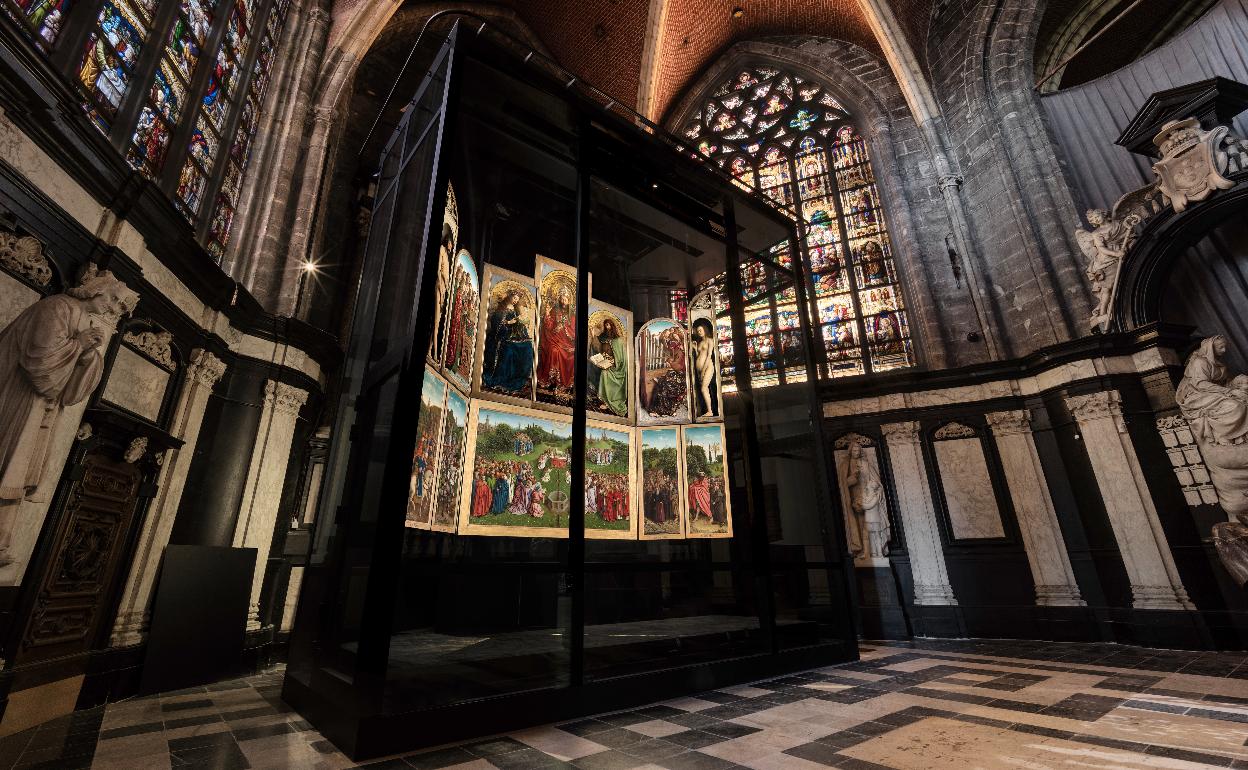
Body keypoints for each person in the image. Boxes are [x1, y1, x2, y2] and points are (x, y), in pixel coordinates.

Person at [482, 289, 534, 395]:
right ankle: (504, 378)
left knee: (527, 346)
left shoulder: (515, 309)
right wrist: (509, 323)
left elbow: (517, 323)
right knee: (509, 350)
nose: (515, 300)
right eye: (514, 298)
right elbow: (496, 323)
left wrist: (519, 323)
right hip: (502, 337)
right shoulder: (501, 309)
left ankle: (520, 376)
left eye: (517, 299)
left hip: (512, 335)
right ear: (509, 297)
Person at [537, 283, 575, 395]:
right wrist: (548, 314)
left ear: (569, 301)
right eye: (562, 299)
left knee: (572, 355)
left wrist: (565, 328)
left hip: (566, 342)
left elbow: (574, 331)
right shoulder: (554, 310)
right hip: (553, 339)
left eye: (566, 299)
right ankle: (551, 380)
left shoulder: (572, 315)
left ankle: (564, 383)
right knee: (554, 351)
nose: (564, 301)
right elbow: (548, 326)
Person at [592, 317, 628, 416]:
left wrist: (613, 361)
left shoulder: (618, 340)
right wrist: (603, 357)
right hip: (606, 362)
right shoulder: (603, 337)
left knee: (605, 373)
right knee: (598, 370)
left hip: (616, 367)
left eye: (608, 325)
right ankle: (604, 399)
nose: (607, 327)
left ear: (612, 326)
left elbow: (621, 357)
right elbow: (600, 349)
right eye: (605, 325)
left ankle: (609, 401)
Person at [690, 318, 717, 418]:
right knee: (702, 389)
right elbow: (698, 356)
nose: (699, 332)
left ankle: (710, 411)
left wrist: (703, 370)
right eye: (698, 331)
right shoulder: (700, 343)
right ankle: (707, 410)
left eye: (700, 330)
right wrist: (694, 348)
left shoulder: (710, 340)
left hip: (708, 366)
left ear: (705, 330)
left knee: (703, 388)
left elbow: (709, 355)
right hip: (699, 369)